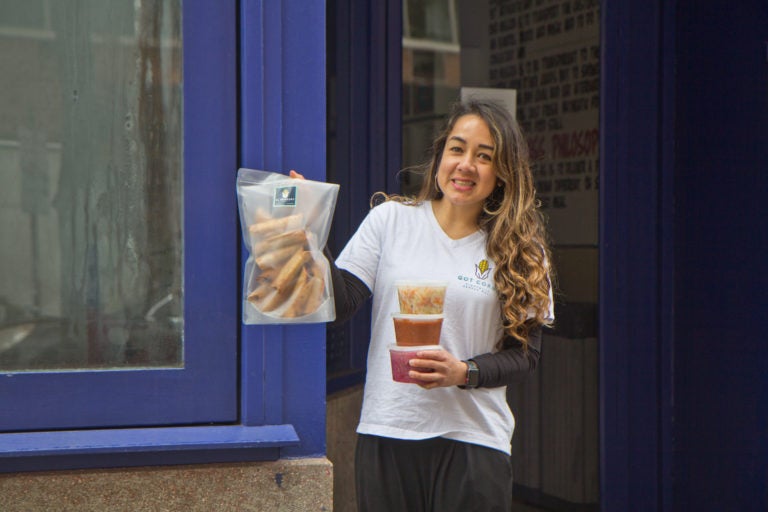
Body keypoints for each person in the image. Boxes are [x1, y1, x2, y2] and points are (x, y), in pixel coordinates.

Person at [293, 98, 554, 511]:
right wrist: (312, 234)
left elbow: (526, 355)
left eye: (484, 156)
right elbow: (340, 304)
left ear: (502, 172)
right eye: (457, 148)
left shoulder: (521, 250)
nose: (466, 164)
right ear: (440, 156)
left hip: (474, 440)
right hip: (389, 428)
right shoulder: (391, 221)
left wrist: (463, 372)